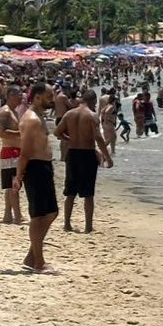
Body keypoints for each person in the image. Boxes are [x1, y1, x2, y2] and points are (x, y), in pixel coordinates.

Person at [13, 82, 59, 272]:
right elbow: (25, 152)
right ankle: (39, 262)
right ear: (38, 97)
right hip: (35, 168)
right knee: (38, 216)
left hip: (44, 167)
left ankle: (32, 255)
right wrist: (19, 176)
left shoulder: (38, 116)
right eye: (49, 97)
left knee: (51, 212)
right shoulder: (31, 119)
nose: (52, 100)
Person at [56, 88, 111, 233]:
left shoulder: (69, 114)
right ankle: (88, 226)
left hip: (72, 153)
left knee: (70, 192)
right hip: (87, 154)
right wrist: (107, 157)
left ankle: (67, 224)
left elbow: (57, 132)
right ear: (93, 101)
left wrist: (69, 139)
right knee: (88, 193)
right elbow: (98, 138)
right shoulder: (92, 116)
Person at [0, 87, 25, 225]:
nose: (22, 98)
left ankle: (8, 214)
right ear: (11, 96)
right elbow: (2, 133)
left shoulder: (14, 111)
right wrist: (22, 133)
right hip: (10, 152)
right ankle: (17, 215)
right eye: (19, 95)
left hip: (14, 151)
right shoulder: (5, 112)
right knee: (14, 185)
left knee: (10, 185)